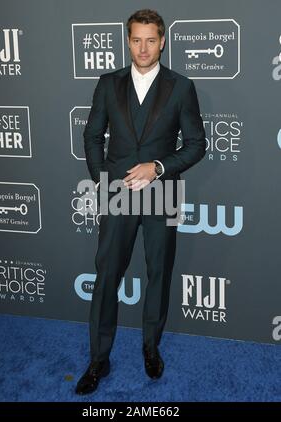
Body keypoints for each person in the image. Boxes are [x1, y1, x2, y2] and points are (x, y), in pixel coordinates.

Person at [75, 9, 206, 395]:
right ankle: (99, 357)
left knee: (158, 274)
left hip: (162, 190)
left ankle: (151, 347)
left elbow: (197, 144)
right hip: (117, 190)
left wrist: (159, 167)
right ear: (127, 40)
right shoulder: (107, 83)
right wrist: (104, 182)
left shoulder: (181, 86)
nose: (143, 47)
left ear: (162, 41)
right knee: (106, 278)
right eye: (136, 39)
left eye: (151, 40)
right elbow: (92, 136)